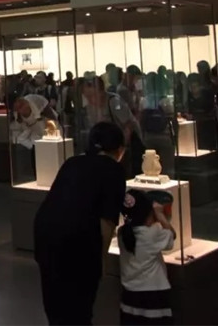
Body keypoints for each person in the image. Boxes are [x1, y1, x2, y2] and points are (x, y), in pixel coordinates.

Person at [34, 121, 127, 325]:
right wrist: (101, 260)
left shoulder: (72, 162)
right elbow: (107, 221)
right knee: (79, 309)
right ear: (120, 149)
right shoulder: (114, 170)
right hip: (78, 240)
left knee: (55, 306)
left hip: (45, 233)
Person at [118, 190, 176, 325]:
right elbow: (172, 235)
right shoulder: (152, 233)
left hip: (129, 294)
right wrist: (160, 215)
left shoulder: (122, 234)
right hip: (153, 295)